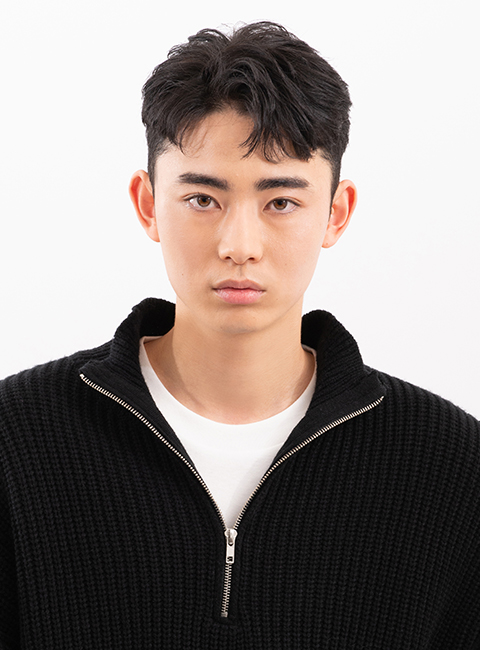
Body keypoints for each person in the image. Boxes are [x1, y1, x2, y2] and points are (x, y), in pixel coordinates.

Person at [1, 21, 479, 650]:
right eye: (203, 199)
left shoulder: (452, 466)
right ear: (147, 204)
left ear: (335, 213)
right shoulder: (15, 438)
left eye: (281, 202)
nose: (239, 245)